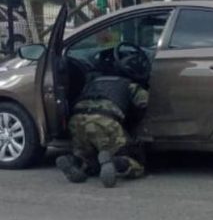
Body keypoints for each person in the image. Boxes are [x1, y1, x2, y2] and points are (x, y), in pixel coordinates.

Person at [55, 50, 151, 188]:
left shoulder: (93, 81)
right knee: (136, 163)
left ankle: (74, 161)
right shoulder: (129, 85)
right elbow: (145, 102)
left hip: (76, 120)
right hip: (105, 121)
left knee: (87, 156)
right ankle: (116, 163)